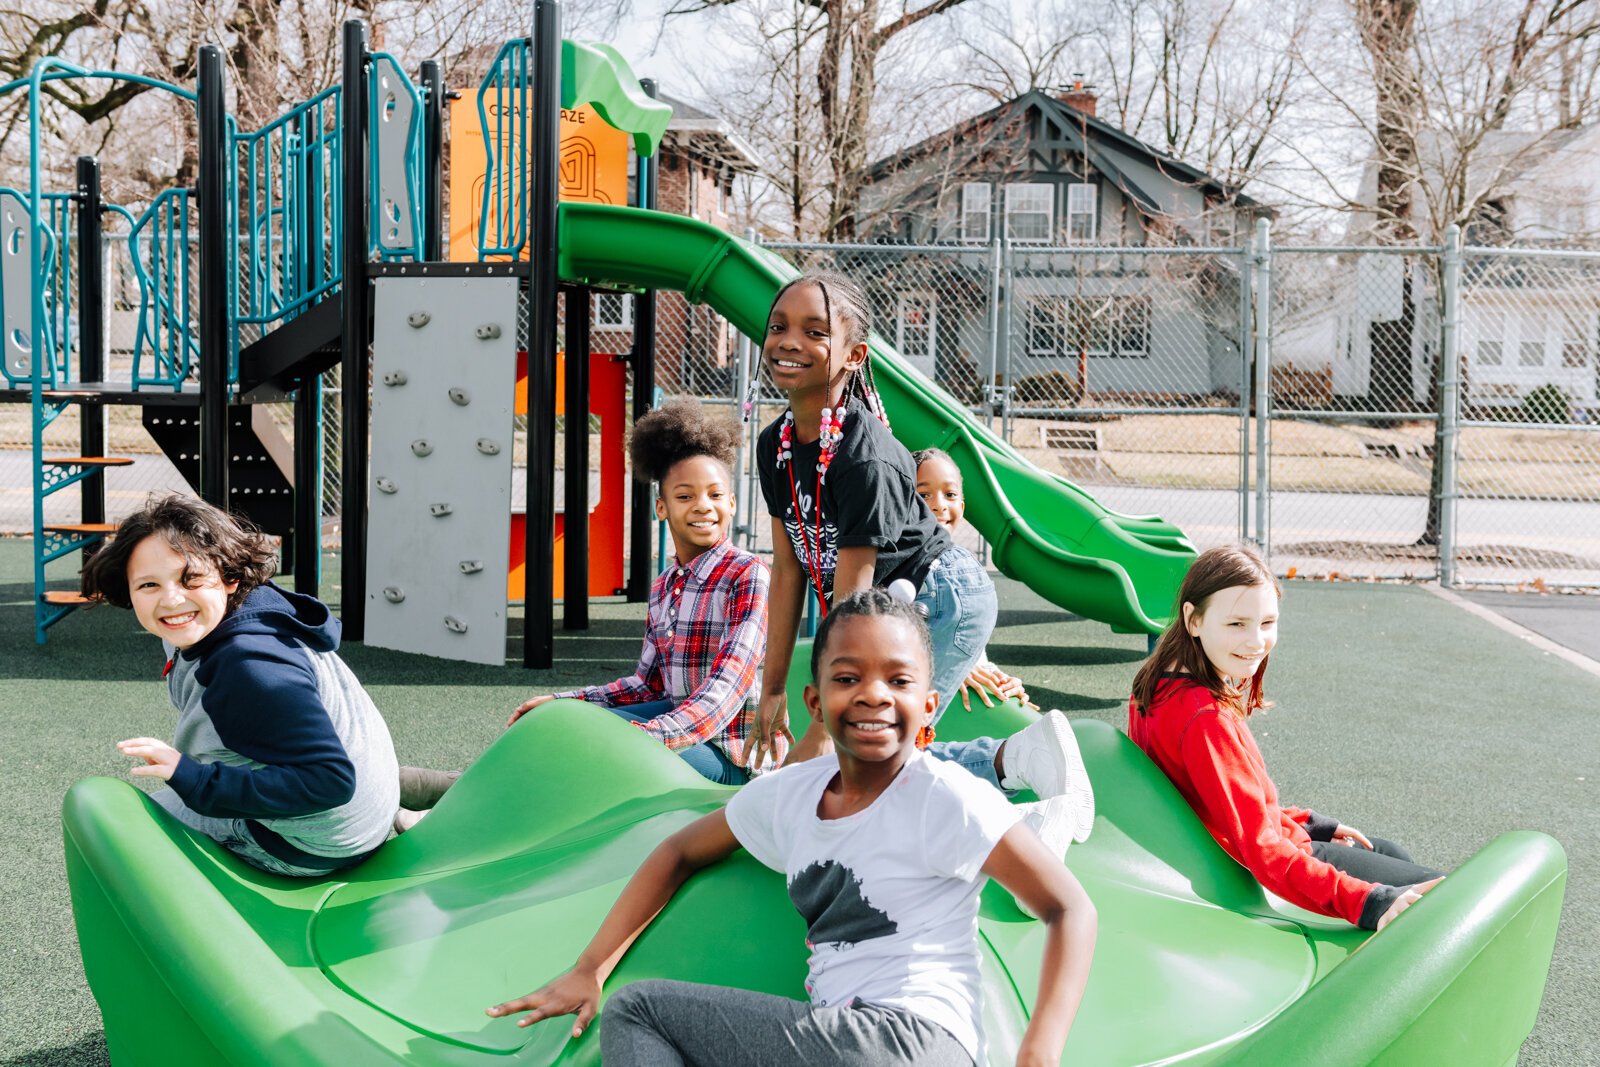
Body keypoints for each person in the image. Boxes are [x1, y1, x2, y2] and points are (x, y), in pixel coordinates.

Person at [486, 589, 1098, 1067]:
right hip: (841, 1039)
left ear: (929, 707)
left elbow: (1069, 908)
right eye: (848, 677)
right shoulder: (789, 796)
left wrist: (1040, 1050)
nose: (873, 695)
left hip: (910, 1039)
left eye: (899, 680)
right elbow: (678, 852)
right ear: (814, 702)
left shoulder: (944, 797)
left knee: (639, 1011)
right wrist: (589, 967)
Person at [750, 271, 1094, 846]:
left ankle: (1020, 831)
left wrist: (817, 734)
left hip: (940, 598)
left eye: (814, 332)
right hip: (889, 605)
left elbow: (852, 607)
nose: (788, 341)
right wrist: (772, 690)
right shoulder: (776, 445)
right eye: (779, 327)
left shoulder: (865, 459)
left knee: (872, 750)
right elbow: (787, 572)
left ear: (853, 355)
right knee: (876, 753)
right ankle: (1018, 757)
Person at [1128, 544, 1444, 931]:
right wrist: (1368, 901)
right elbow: (1262, 851)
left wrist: (1308, 823)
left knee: (1390, 852)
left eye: (1267, 623)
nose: (1256, 641)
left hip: (1240, 843)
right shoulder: (1205, 720)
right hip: (1260, 870)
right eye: (1236, 624)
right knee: (1441, 897)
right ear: (1193, 619)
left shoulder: (1154, 683)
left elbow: (1214, 799)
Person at [80, 495, 400, 877]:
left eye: (190, 578)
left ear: (230, 577)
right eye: (148, 584)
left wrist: (191, 777)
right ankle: (418, 792)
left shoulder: (250, 667)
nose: (171, 599)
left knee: (126, 830)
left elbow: (328, 782)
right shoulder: (241, 608)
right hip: (366, 803)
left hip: (314, 844)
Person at [509, 398, 767, 786]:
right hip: (676, 732)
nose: (702, 506)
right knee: (557, 723)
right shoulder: (665, 586)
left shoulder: (748, 575)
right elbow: (647, 685)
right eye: (685, 496)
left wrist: (642, 739)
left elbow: (724, 692)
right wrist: (566, 703)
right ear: (661, 508)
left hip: (730, 755)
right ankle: (455, 801)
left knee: (593, 745)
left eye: (715, 495)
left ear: (731, 504)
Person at [914, 447, 1037, 713]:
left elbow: (973, 651)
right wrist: (953, 668)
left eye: (950, 494)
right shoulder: (900, 567)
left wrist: (999, 677)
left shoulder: (959, 571)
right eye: (923, 495)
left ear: (962, 506)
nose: (939, 504)